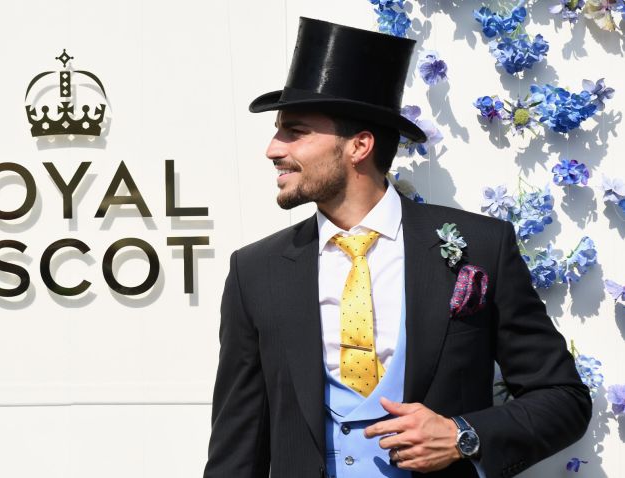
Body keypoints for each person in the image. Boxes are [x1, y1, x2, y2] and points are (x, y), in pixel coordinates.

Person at [203, 17, 591, 478]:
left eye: (295, 130)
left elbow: (563, 399)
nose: (273, 148)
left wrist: (464, 435)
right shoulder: (256, 270)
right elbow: (237, 444)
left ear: (359, 146)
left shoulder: (482, 247)